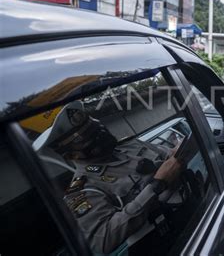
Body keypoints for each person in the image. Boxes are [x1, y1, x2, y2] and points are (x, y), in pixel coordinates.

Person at [35, 101, 184, 254]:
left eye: (95, 126)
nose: (101, 134)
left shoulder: (129, 145)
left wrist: (177, 152)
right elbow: (101, 241)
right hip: (164, 242)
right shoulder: (83, 190)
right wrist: (156, 186)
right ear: (71, 154)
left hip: (192, 206)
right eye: (89, 136)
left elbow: (167, 156)